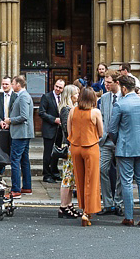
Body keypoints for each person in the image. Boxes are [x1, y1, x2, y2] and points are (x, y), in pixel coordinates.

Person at [107, 74, 140, 227]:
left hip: (125, 147)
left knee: (126, 182)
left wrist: (118, 141)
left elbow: (112, 129)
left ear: (125, 88)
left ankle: (129, 217)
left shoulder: (120, 104)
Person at [68, 85, 103, 227]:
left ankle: (83, 208)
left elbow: (69, 130)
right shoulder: (95, 112)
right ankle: (87, 212)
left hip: (75, 147)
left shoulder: (72, 111)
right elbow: (101, 132)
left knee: (80, 180)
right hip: (91, 147)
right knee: (92, 180)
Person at [97, 69, 123, 216]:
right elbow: (101, 117)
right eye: (105, 82)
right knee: (102, 169)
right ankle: (107, 203)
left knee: (121, 174)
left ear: (116, 82)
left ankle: (118, 203)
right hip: (106, 141)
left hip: (120, 141)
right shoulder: (105, 98)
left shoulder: (124, 97)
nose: (105, 85)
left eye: (108, 82)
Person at [3, 75, 34, 197]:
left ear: (18, 85)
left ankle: (16, 189)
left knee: (15, 160)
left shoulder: (23, 97)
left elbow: (24, 116)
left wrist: (10, 120)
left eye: (13, 83)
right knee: (24, 160)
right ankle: (26, 187)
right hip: (24, 133)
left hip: (21, 134)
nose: (11, 85)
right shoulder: (23, 96)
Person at [56, 84, 81, 219]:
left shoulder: (71, 108)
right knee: (67, 177)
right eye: (76, 93)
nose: (78, 95)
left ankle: (69, 204)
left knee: (70, 178)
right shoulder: (66, 109)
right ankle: (63, 206)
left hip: (72, 145)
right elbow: (67, 129)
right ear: (70, 95)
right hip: (69, 146)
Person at [40, 78, 65, 183]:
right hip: (49, 129)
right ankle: (46, 174)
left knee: (57, 152)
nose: (57, 89)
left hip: (60, 130)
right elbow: (41, 112)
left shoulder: (63, 98)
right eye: (56, 86)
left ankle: (54, 172)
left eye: (60, 87)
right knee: (48, 153)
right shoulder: (46, 97)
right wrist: (54, 119)